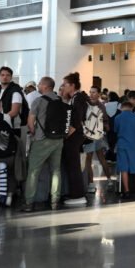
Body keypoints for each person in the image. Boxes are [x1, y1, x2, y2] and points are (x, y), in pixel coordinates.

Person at [22, 77, 64, 213]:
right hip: (58, 140)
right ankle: (55, 201)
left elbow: (30, 122)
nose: (38, 86)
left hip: (41, 140)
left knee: (33, 171)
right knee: (56, 170)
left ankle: (29, 203)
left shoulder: (38, 101)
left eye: (40, 84)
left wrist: (34, 134)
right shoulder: (60, 101)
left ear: (45, 86)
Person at [58, 73, 89, 207]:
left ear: (72, 85)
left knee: (74, 166)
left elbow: (76, 120)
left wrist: (66, 135)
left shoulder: (78, 98)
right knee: (73, 165)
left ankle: (78, 195)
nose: (63, 87)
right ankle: (76, 194)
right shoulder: (78, 98)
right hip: (76, 136)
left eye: (65, 84)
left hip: (74, 137)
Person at [83, 86, 113, 202]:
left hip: (92, 135)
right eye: (90, 92)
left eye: (94, 92)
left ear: (98, 94)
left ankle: (92, 184)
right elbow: (106, 121)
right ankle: (108, 180)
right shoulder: (99, 105)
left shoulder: (94, 105)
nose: (91, 94)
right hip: (96, 135)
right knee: (99, 158)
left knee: (90, 159)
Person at [114, 98, 135, 199]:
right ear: (132, 108)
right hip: (134, 146)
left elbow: (116, 130)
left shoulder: (118, 117)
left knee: (124, 169)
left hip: (122, 145)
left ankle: (127, 192)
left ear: (122, 108)